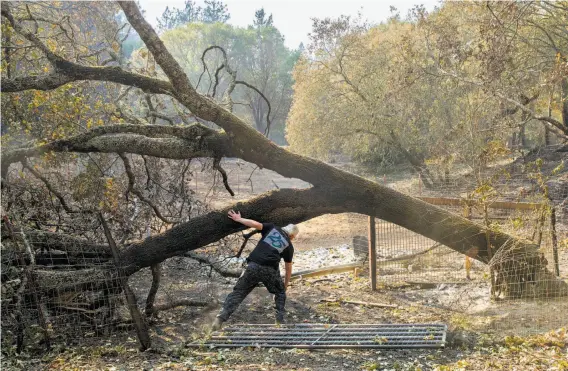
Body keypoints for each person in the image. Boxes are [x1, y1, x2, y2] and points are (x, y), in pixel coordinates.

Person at [211, 210, 299, 331]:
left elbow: (255, 224)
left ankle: (219, 319)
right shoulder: (289, 245)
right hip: (269, 270)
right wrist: (285, 286)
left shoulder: (272, 228)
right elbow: (288, 268)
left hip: (252, 266)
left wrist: (238, 219)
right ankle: (280, 322)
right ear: (292, 236)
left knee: (238, 293)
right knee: (280, 293)